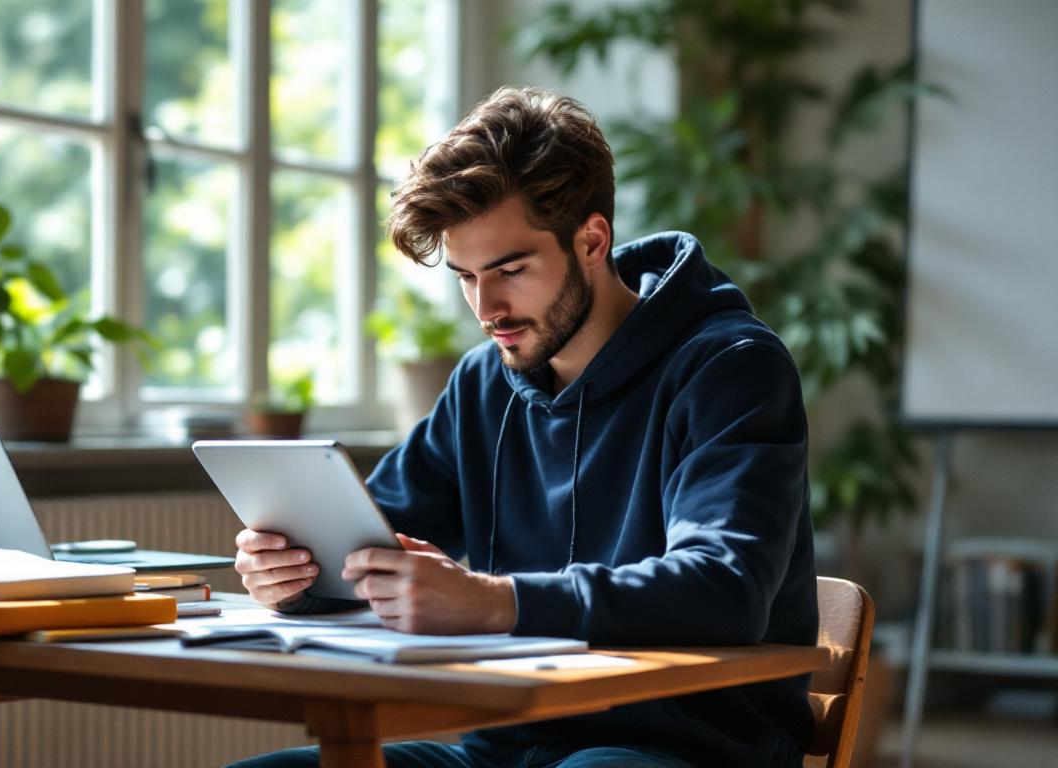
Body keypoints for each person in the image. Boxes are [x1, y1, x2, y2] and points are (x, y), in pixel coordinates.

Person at [229, 86, 817, 768]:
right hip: (508, 749)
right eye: (466, 277)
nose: (487, 307)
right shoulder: (484, 382)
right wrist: (292, 572)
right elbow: (367, 535)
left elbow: (725, 588)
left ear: (592, 239)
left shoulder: (731, 368)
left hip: (682, 748)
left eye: (511, 269)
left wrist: (492, 601)